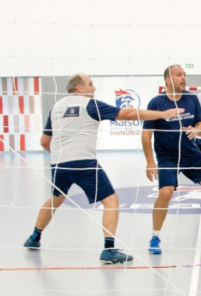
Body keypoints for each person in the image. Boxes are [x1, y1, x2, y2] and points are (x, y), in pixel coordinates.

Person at [23, 73, 182, 264]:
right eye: (91, 84)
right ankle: (109, 249)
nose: (94, 88)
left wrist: (61, 156)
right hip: (83, 162)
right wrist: (163, 114)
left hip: (58, 163)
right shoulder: (90, 105)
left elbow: (44, 141)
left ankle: (34, 237)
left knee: (56, 199)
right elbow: (128, 114)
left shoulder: (57, 107)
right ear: (79, 88)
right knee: (111, 201)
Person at [142, 65, 201, 254]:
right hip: (167, 157)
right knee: (165, 193)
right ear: (167, 79)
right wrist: (150, 161)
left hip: (192, 154)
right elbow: (146, 134)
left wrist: (197, 130)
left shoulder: (191, 99)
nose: (183, 78)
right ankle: (155, 236)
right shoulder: (156, 103)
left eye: (184, 75)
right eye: (179, 75)